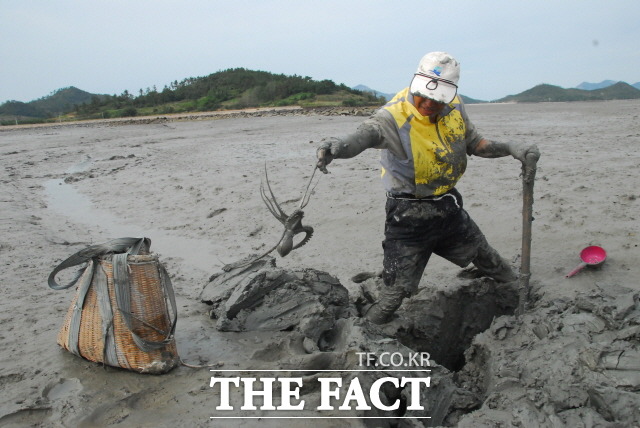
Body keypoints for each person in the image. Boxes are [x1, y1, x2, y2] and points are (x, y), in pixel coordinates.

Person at [315, 52, 540, 324]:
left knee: (488, 258)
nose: (428, 103)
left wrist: (510, 148)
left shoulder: (455, 106)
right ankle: (362, 334)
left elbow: (476, 144)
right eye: (423, 95)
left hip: (448, 207)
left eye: (438, 99)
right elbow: (363, 136)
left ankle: (524, 298)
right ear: (416, 83)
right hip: (407, 216)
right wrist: (338, 146)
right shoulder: (393, 116)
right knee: (392, 297)